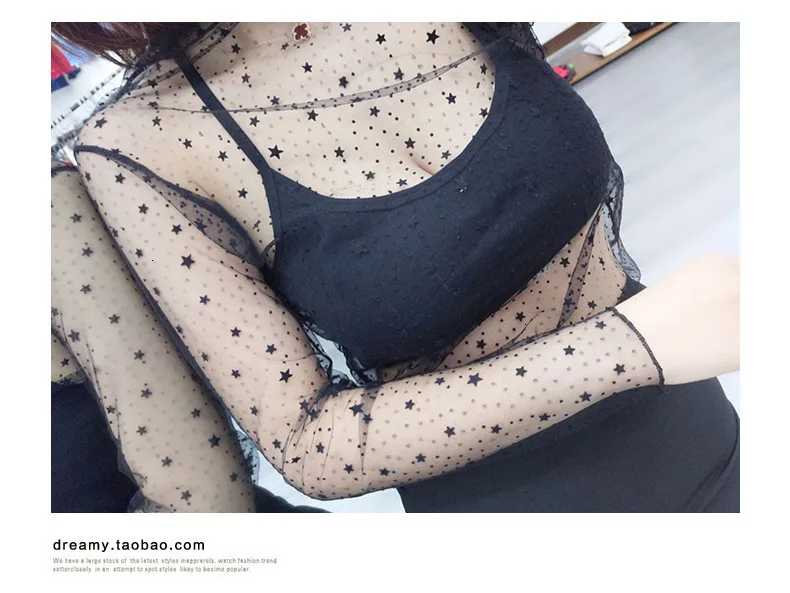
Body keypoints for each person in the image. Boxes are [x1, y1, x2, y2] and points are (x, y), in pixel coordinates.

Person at [50, 22, 739, 512]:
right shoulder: (139, 141)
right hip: (525, 512)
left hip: (699, 426)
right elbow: (306, 438)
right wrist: (624, 346)